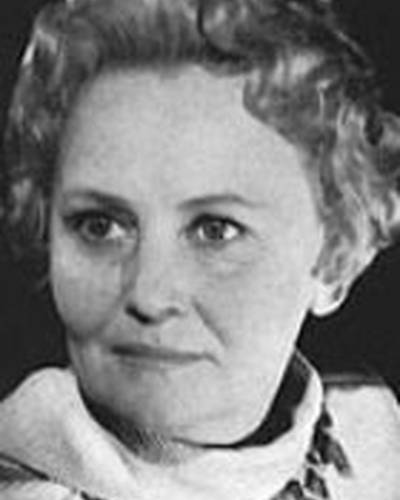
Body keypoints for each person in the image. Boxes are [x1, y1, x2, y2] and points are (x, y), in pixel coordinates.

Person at [0, 0, 399, 498]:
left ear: (336, 260)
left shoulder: (375, 438)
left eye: (215, 230)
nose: (149, 295)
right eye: (100, 226)